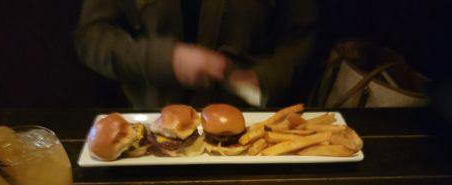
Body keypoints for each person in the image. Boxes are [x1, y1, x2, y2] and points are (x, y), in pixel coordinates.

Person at [74, 0, 318, 108]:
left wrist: (266, 78)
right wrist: (165, 60)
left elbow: (302, 34)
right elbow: (93, 37)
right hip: (150, 132)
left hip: (251, 131)